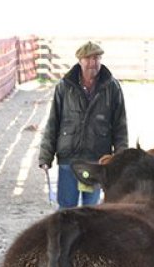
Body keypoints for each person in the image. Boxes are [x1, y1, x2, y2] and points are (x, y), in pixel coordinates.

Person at [38, 41, 128, 209]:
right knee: (66, 209)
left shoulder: (112, 88)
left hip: (96, 160)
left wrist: (120, 159)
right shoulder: (64, 87)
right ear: (80, 61)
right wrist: (45, 156)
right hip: (68, 159)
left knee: (91, 209)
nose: (93, 63)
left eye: (97, 58)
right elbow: (53, 123)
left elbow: (120, 127)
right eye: (88, 59)